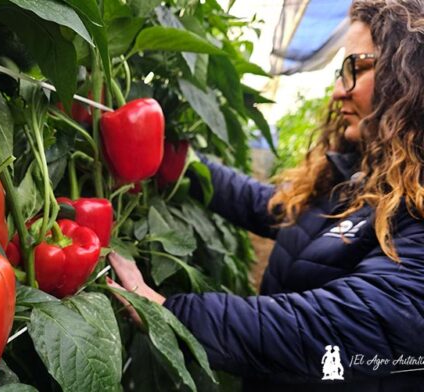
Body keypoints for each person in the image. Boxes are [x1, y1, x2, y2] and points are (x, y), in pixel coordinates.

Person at [107, 1, 424, 390]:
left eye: (356, 68)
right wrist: (180, 162)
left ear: (410, 76)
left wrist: (172, 311)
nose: (339, 91)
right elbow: (273, 208)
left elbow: (364, 321)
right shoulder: (362, 178)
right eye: (341, 72)